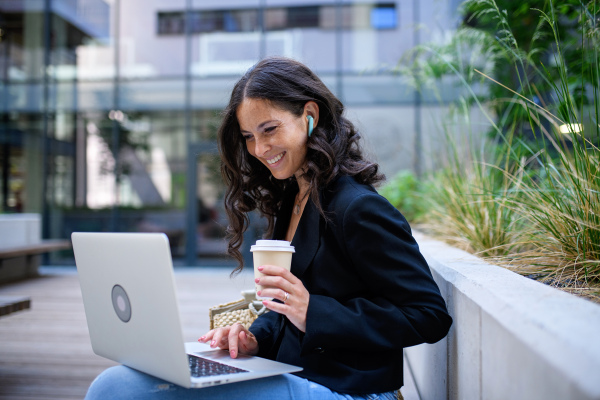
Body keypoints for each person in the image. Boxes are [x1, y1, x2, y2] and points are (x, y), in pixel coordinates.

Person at [84, 57, 452, 399]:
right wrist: (252, 340)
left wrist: (313, 311)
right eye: (248, 136)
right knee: (118, 381)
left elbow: (428, 314)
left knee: (121, 390)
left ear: (309, 115)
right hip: (296, 374)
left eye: (269, 129)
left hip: (352, 391)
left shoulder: (358, 208)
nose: (259, 148)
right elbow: (283, 314)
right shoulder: (292, 200)